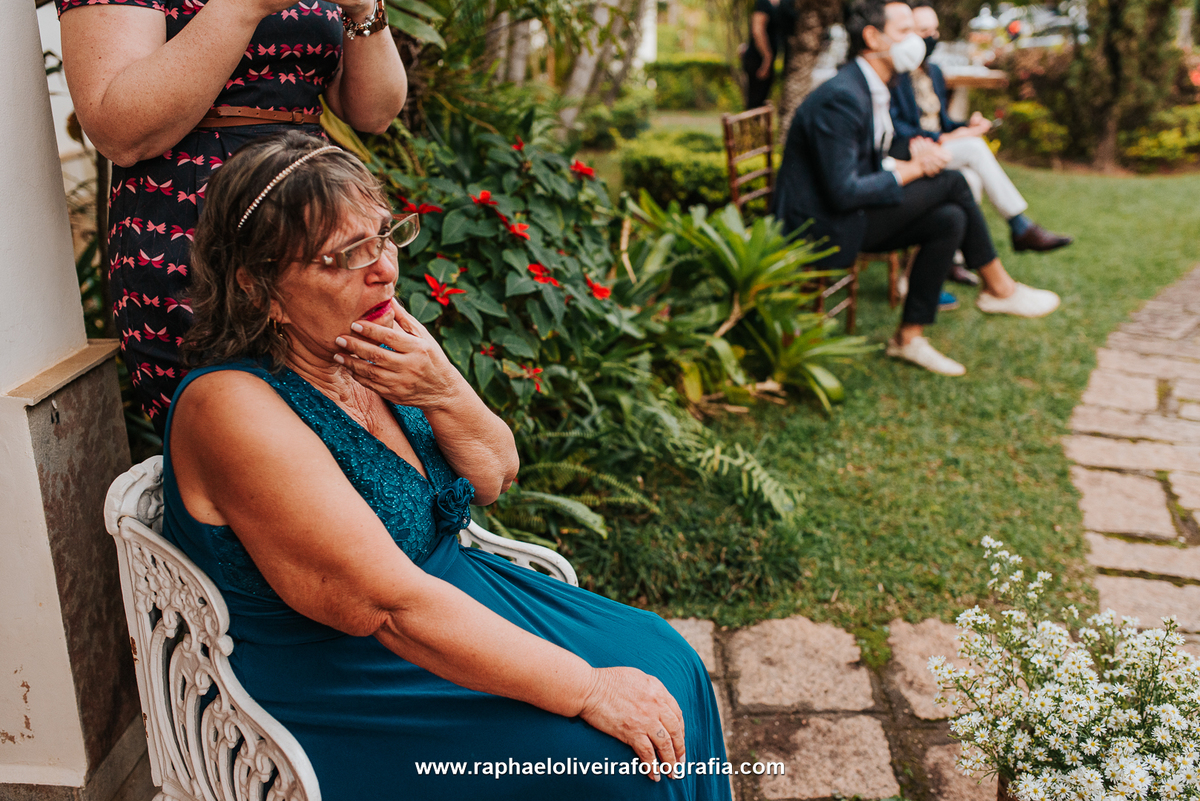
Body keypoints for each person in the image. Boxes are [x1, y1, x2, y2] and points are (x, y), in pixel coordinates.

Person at [161, 131, 731, 801]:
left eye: (382, 236)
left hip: (453, 596)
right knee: (611, 760)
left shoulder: (372, 338)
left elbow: (495, 475)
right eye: (343, 256)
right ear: (259, 289)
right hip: (342, 676)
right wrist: (588, 687)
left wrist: (443, 387)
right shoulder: (231, 406)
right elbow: (385, 605)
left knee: (673, 660)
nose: (381, 270)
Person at [54, 0, 407, 434]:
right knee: (243, 439)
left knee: (360, 429)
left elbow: (375, 112)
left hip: (321, 220)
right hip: (195, 223)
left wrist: (364, 9)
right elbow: (120, 130)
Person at [772, 0, 1060, 376]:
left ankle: (909, 339)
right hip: (823, 227)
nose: (918, 41)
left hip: (849, 213)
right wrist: (914, 169)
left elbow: (878, 149)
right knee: (953, 183)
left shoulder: (874, 86)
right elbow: (843, 190)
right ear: (873, 38)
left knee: (949, 217)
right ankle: (998, 289)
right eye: (905, 31)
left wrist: (916, 149)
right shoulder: (842, 97)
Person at [890, 0, 1073, 272]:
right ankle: (1020, 226)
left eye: (935, 30)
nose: (932, 37)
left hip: (941, 145)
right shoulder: (896, 76)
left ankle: (951, 259)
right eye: (924, 30)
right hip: (914, 151)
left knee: (972, 179)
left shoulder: (934, 73)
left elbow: (945, 122)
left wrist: (966, 125)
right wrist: (950, 137)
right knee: (974, 148)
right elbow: (898, 128)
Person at [741, 0, 796, 109]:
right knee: (755, 102)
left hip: (768, 59)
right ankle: (752, 126)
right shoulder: (763, 3)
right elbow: (757, 30)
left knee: (762, 101)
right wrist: (767, 57)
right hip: (759, 59)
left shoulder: (781, 4)